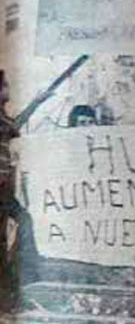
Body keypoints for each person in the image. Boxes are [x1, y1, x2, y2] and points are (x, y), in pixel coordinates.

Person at [0, 71, 42, 310]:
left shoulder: (3, 118)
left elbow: (13, 127)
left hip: (4, 187)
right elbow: (13, 127)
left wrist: (37, 102)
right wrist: (37, 102)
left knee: (21, 225)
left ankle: (14, 293)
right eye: (5, 86)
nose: (8, 90)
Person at [97, 56, 135, 125]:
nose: (130, 68)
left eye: (133, 64)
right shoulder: (115, 86)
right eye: (124, 64)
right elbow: (119, 112)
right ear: (118, 65)